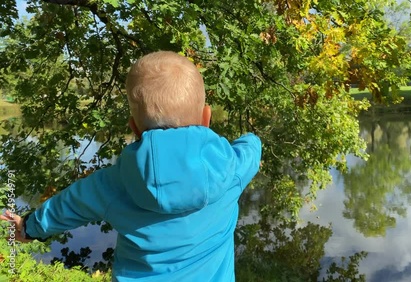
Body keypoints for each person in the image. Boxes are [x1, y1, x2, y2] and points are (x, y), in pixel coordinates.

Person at [1, 51, 262, 281]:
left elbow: (66, 206)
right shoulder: (231, 169)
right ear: (207, 117)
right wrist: (249, 139)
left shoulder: (114, 183)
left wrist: (29, 227)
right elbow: (252, 145)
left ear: (134, 128)